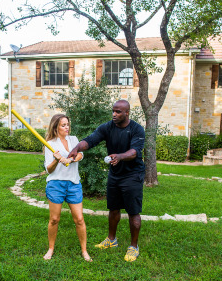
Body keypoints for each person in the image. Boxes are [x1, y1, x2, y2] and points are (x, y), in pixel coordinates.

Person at [68, 100, 145, 262]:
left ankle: (134, 246)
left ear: (127, 113)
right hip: (115, 174)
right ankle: (111, 240)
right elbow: (90, 140)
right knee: (113, 209)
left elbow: (134, 152)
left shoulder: (137, 129)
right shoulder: (107, 127)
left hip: (132, 174)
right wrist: (76, 148)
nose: (114, 114)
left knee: (133, 212)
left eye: (118, 112)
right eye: (113, 111)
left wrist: (120, 156)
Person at [43, 113, 92, 262]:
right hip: (56, 184)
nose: (67, 128)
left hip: (73, 183)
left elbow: (80, 156)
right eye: (63, 125)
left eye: (67, 124)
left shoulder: (73, 139)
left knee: (79, 219)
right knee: (54, 219)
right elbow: (48, 170)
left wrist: (70, 159)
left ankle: (84, 250)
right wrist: (56, 160)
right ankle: (50, 249)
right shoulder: (50, 143)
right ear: (56, 127)